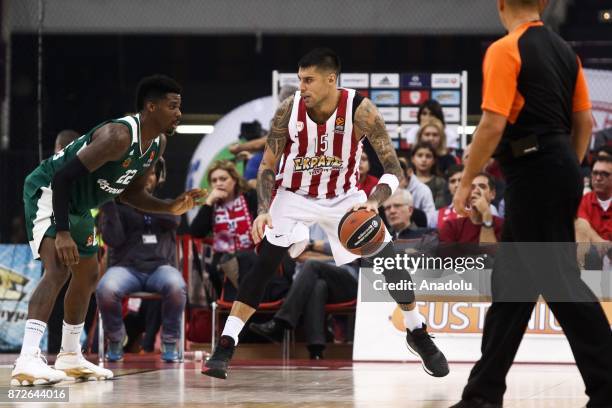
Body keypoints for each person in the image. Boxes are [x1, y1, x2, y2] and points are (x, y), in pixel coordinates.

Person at [202, 48, 448, 380]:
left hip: (345, 197)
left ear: (331, 80)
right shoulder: (287, 112)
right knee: (263, 265)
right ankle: (226, 344)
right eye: (299, 79)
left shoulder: (360, 111)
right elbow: (267, 168)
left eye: (308, 80)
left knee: (390, 260)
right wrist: (262, 210)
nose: (301, 87)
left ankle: (417, 332)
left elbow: (392, 170)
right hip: (294, 195)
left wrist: (374, 202)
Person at [450, 1, 612, 407]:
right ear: (542, 3)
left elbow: (492, 123)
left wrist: (466, 181)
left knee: (557, 280)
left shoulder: (506, 49)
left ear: (500, 4)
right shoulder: (565, 53)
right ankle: (482, 396)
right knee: (512, 288)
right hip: (556, 166)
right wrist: (567, 171)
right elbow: (585, 123)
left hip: (533, 168)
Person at [13, 75, 205, 386]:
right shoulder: (118, 136)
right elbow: (62, 178)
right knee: (59, 270)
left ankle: (71, 355)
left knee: (88, 274)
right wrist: (62, 232)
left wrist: (170, 206)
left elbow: (128, 194)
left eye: (179, 107)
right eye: (173, 106)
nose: (179, 113)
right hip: (49, 190)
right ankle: (28, 357)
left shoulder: (158, 144)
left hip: (80, 203)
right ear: (151, 107)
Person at [96, 158, 186, 363]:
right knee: (105, 289)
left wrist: (140, 202)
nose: (146, 178)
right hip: (126, 269)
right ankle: (117, 337)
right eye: (141, 174)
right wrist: (108, 204)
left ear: (158, 178)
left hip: (160, 269)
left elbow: (173, 220)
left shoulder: (167, 204)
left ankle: (170, 340)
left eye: (151, 173)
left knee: (176, 285)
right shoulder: (116, 207)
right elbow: (113, 239)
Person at [248, 224, 358, 360]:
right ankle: (316, 350)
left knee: (312, 265)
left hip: (345, 283)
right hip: (314, 281)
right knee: (318, 285)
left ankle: (280, 323)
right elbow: (298, 255)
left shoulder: (346, 216)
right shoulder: (304, 223)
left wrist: (312, 245)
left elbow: (351, 252)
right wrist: (331, 253)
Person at [190, 160, 258, 296]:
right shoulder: (212, 207)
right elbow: (196, 232)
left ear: (234, 180)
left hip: (251, 255)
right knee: (218, 268)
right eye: (214, 181)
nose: (218, 183)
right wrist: (209, 202)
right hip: (223, 260)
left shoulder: (250, 197)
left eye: (223, 179)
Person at [440, 173, 503, 244]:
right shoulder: (452, 226)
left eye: (482, 187)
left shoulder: (502, 226)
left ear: (492, 194)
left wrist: (486, 214)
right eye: (472, 187)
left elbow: (489, 252)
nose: (476, 191)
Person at [411, 142, 448, 209]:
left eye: (428, 156)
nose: (424, 160)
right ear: (413, 159)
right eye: (420, 155)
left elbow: (439, 208)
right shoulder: (406, 181)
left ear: (434, 160)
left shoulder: (440, 182)